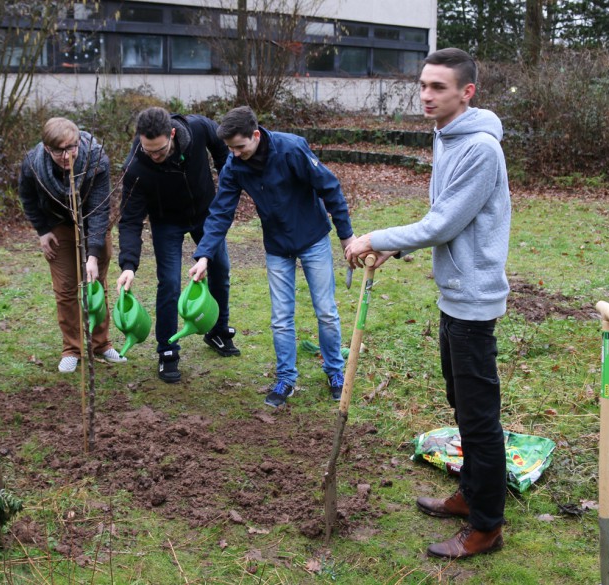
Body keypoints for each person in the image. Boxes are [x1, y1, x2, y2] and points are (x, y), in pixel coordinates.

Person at [345, 47, 511, 559]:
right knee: (461, 404)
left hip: (473, 299)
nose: (425, 95)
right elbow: (441, 212)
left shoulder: (481, 148)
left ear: (467, 92)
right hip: (453, 294)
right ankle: (471, 492)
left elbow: (442, 225)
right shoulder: (446, 136)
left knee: (479, 415)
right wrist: (397, 244)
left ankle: (487, 526)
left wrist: (374, 236)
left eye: (438, 87)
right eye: (422, 85)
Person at [188, 106, 354, 407]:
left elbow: (329, 187)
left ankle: (334, 372)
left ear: (255, 134)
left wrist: (346, 236)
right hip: (277, 246)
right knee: (280, 318)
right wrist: (204, 256)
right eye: (230, 149)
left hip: (313, 237)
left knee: (326, 311)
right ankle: (286, 379)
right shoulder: (235, 165)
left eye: (239, 147)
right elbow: (220, 212)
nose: (235, 154)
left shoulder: (291, 148)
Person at [117, 106, 237, 384]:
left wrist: (227, 179)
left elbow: (221, 147)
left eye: (159, 150)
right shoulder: (136, 167)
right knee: (169, 283)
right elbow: (130, 220)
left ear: (172, 134)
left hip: (205, 213)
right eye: (148, 151)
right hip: (166, 223)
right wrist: (128, 264)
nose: (154, 157)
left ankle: (217, 331)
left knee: (220, 270)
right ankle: (168, 349)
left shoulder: (197, 128)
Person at [18, 117, 126, 372]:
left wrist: (92, 255)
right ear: (47, 148)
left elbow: (100, 211)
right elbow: (28, 197)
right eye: (59, 150)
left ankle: (101, 343)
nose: (67, 155)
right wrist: (43, 231)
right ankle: (72, 348)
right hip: (58, 225)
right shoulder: (33, 164)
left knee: (96, 284)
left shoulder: (97, 160)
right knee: (66, 289)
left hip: (94, 224)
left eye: (72, 147)